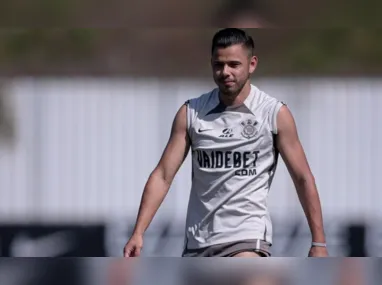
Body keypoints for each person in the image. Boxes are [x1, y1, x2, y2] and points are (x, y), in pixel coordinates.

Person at [123, 28, 328, 258]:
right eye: (218, 65)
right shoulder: (191, 112)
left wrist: (319, 242)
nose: (225, 72)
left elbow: (303, 178)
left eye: (234, 64)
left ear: (252, 64)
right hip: (198, 243)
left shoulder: (273, 113)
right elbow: (163, 175)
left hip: (247, 239)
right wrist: (138, 232)